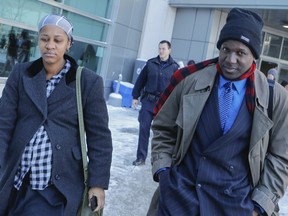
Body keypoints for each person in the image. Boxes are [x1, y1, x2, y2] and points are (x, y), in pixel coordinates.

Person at [148, 8, 288, 216]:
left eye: (241, 53)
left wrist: (259, 206)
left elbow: (280, 157)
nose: (231, 60)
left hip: (235, 206)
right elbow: (162, 128)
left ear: (254, 56)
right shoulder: (190, 81)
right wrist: (164, 172)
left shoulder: (273, 96)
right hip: (179, 199)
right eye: (225, 49)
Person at [0, 14, 113, 216]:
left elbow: (99, 137)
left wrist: (97, 183)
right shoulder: (21, 73)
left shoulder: (87, 82)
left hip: (57, 184)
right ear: (38, 41)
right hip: (16, 177)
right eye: (44, 39)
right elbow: (4, 123)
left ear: (68, 43)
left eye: (57, 40)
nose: (50, 45)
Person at [131, 40, 179, 166]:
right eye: (160, 48)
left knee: (160, 134)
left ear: (169, 50)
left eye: (164, 49)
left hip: (163, 104)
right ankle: (141, 158)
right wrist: (135, 96)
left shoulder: (174, 67)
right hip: (148, 101)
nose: (161, 51)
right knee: (144, 129)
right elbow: (141, 80)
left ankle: (158, 159)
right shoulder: (151, 63)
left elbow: (177, 88)